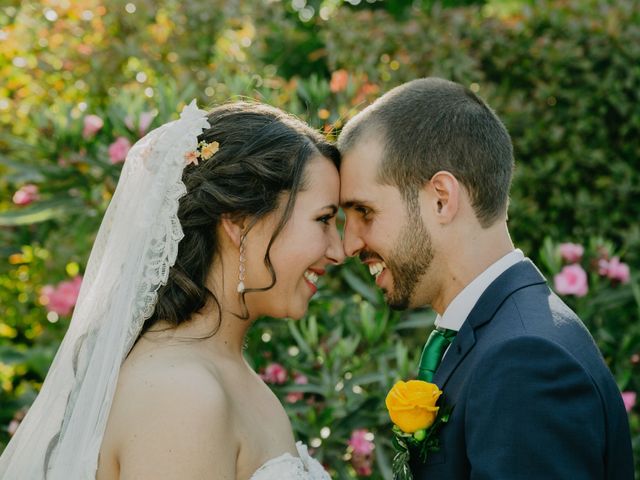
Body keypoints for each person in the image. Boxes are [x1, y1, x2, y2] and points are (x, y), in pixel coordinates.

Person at [0, 100, 344, 479]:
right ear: (240, 222)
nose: (338, 250)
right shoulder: (181, 394)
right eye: (324, 220)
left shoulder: (219, 375)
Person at [338, 78, 634, 479]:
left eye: (364, 212)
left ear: (441, 198)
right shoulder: (500, 336)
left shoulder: (525, 363)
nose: (349, 244)